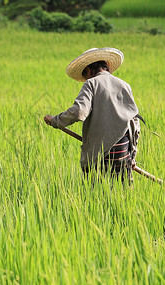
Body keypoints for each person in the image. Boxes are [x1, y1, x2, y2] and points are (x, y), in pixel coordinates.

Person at [44, 47, 141, 184]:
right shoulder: (124, 85)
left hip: (102, 152)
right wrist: (132, 156)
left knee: (98, 194)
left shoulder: (91, 83)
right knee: (122, 191)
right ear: (106, 66)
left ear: (89, 71)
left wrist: (55, 120)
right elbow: (134, 122)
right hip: (124, 149)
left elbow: (79, 112)